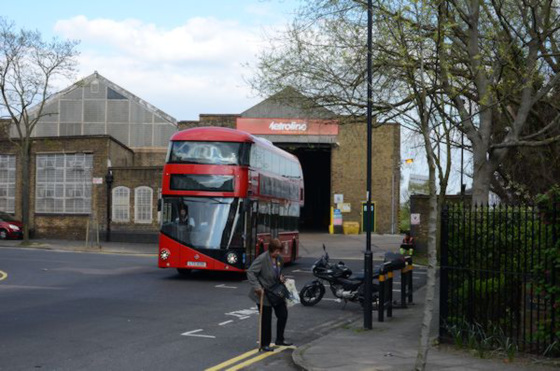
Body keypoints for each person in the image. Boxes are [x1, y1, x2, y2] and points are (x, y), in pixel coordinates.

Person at [247, 238, 293, 352]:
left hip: (276, 292)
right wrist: (257, 287)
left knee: (283, 314)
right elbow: (251, 272)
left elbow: (278, 272)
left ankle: (280, 339)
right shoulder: (262, 259)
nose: (277, 253)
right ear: (270, 249)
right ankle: (265, 344)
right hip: (264, 293)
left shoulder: (279, 259)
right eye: (276, 251)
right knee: (266, 320)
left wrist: (281, 277)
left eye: (279, 251)